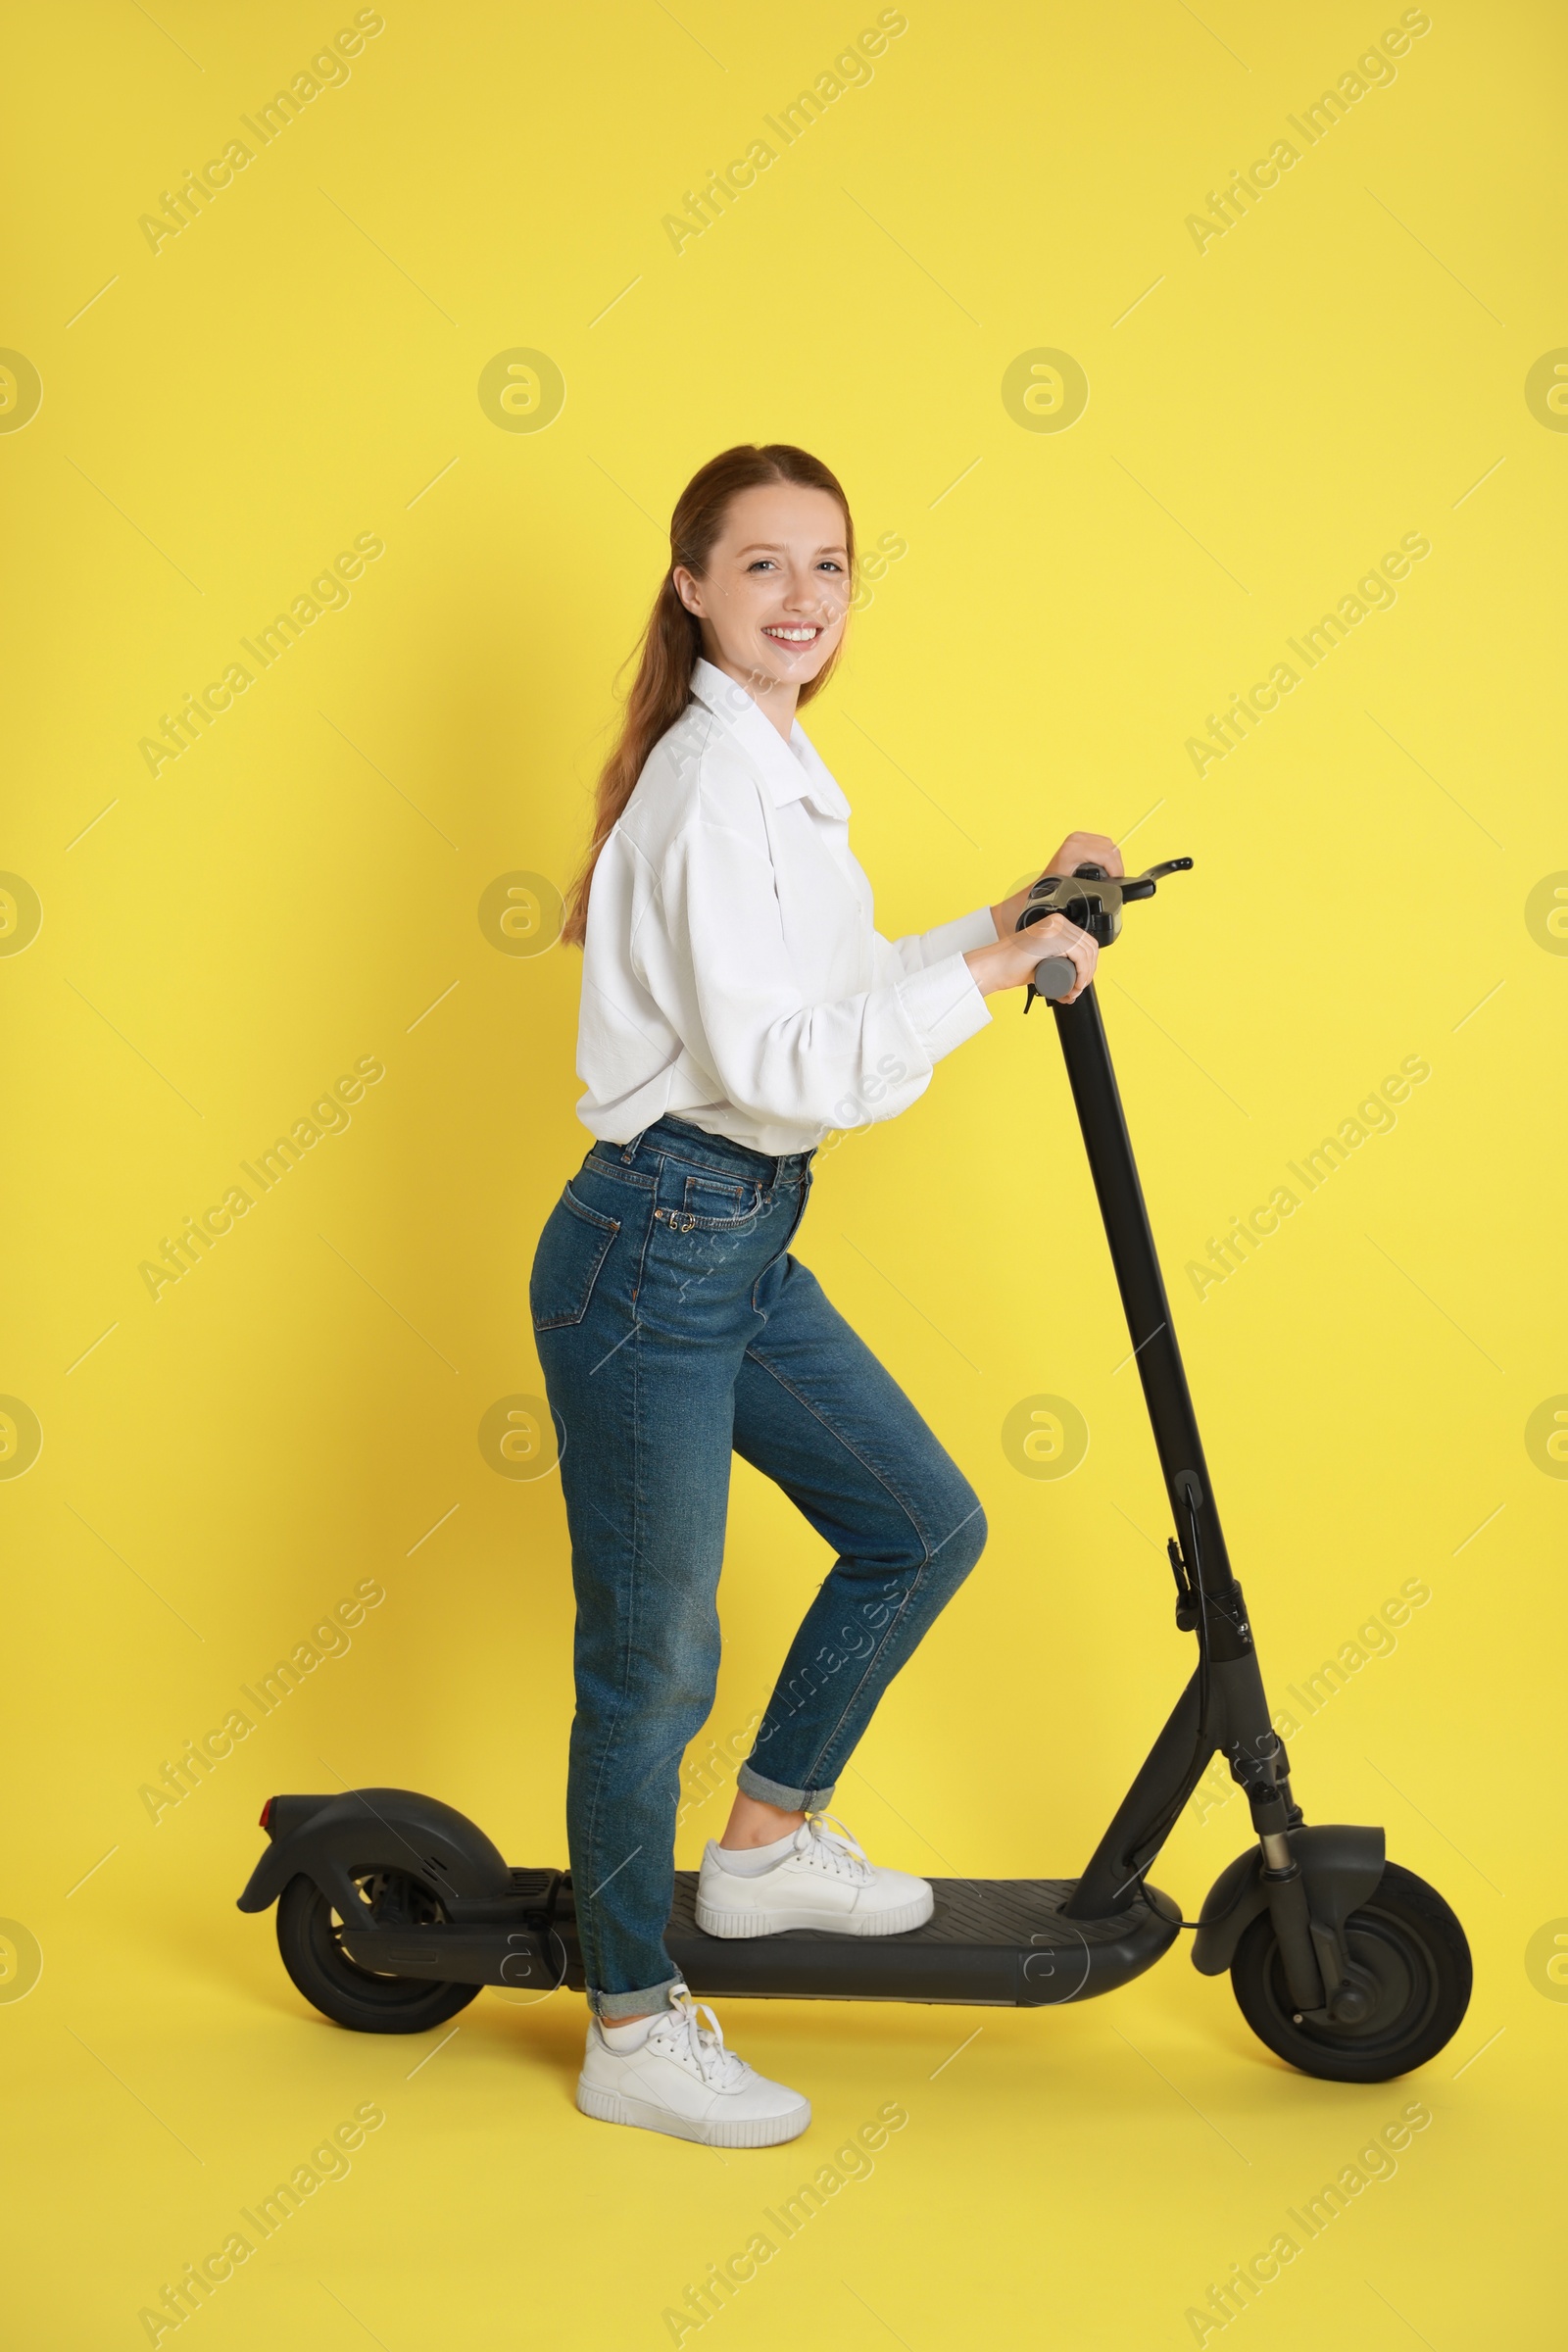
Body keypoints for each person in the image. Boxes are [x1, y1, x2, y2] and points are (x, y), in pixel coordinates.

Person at [530, 441, 1115, 2147]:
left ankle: (768, 1852)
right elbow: (783, 1066)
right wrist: (1002, 977)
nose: (803, 600)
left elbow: (834, 987)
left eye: (831, 569)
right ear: (694, 585)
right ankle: (631, 2024)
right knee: (652, 1667)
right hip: (659, 1243)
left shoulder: (777, 762)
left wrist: (1003, 918)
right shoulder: (710, 784)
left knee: (918, 1523)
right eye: (766, 566)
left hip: (739, 1232)